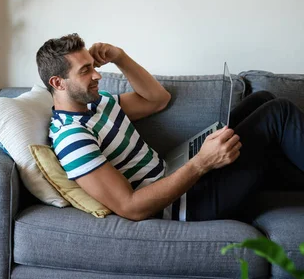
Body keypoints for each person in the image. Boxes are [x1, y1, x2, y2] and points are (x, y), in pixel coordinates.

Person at [36, 33, 304, 221]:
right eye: (85, 71)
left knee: (262, 100)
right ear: (58, 83)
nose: (97, 75)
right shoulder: (72, 138)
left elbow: (157, 100)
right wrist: (201, 163)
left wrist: (120, 57)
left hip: (175, 174)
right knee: (278, 113)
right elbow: (130, 207)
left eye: (93, 66)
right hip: (186, 204)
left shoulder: (98, 103)